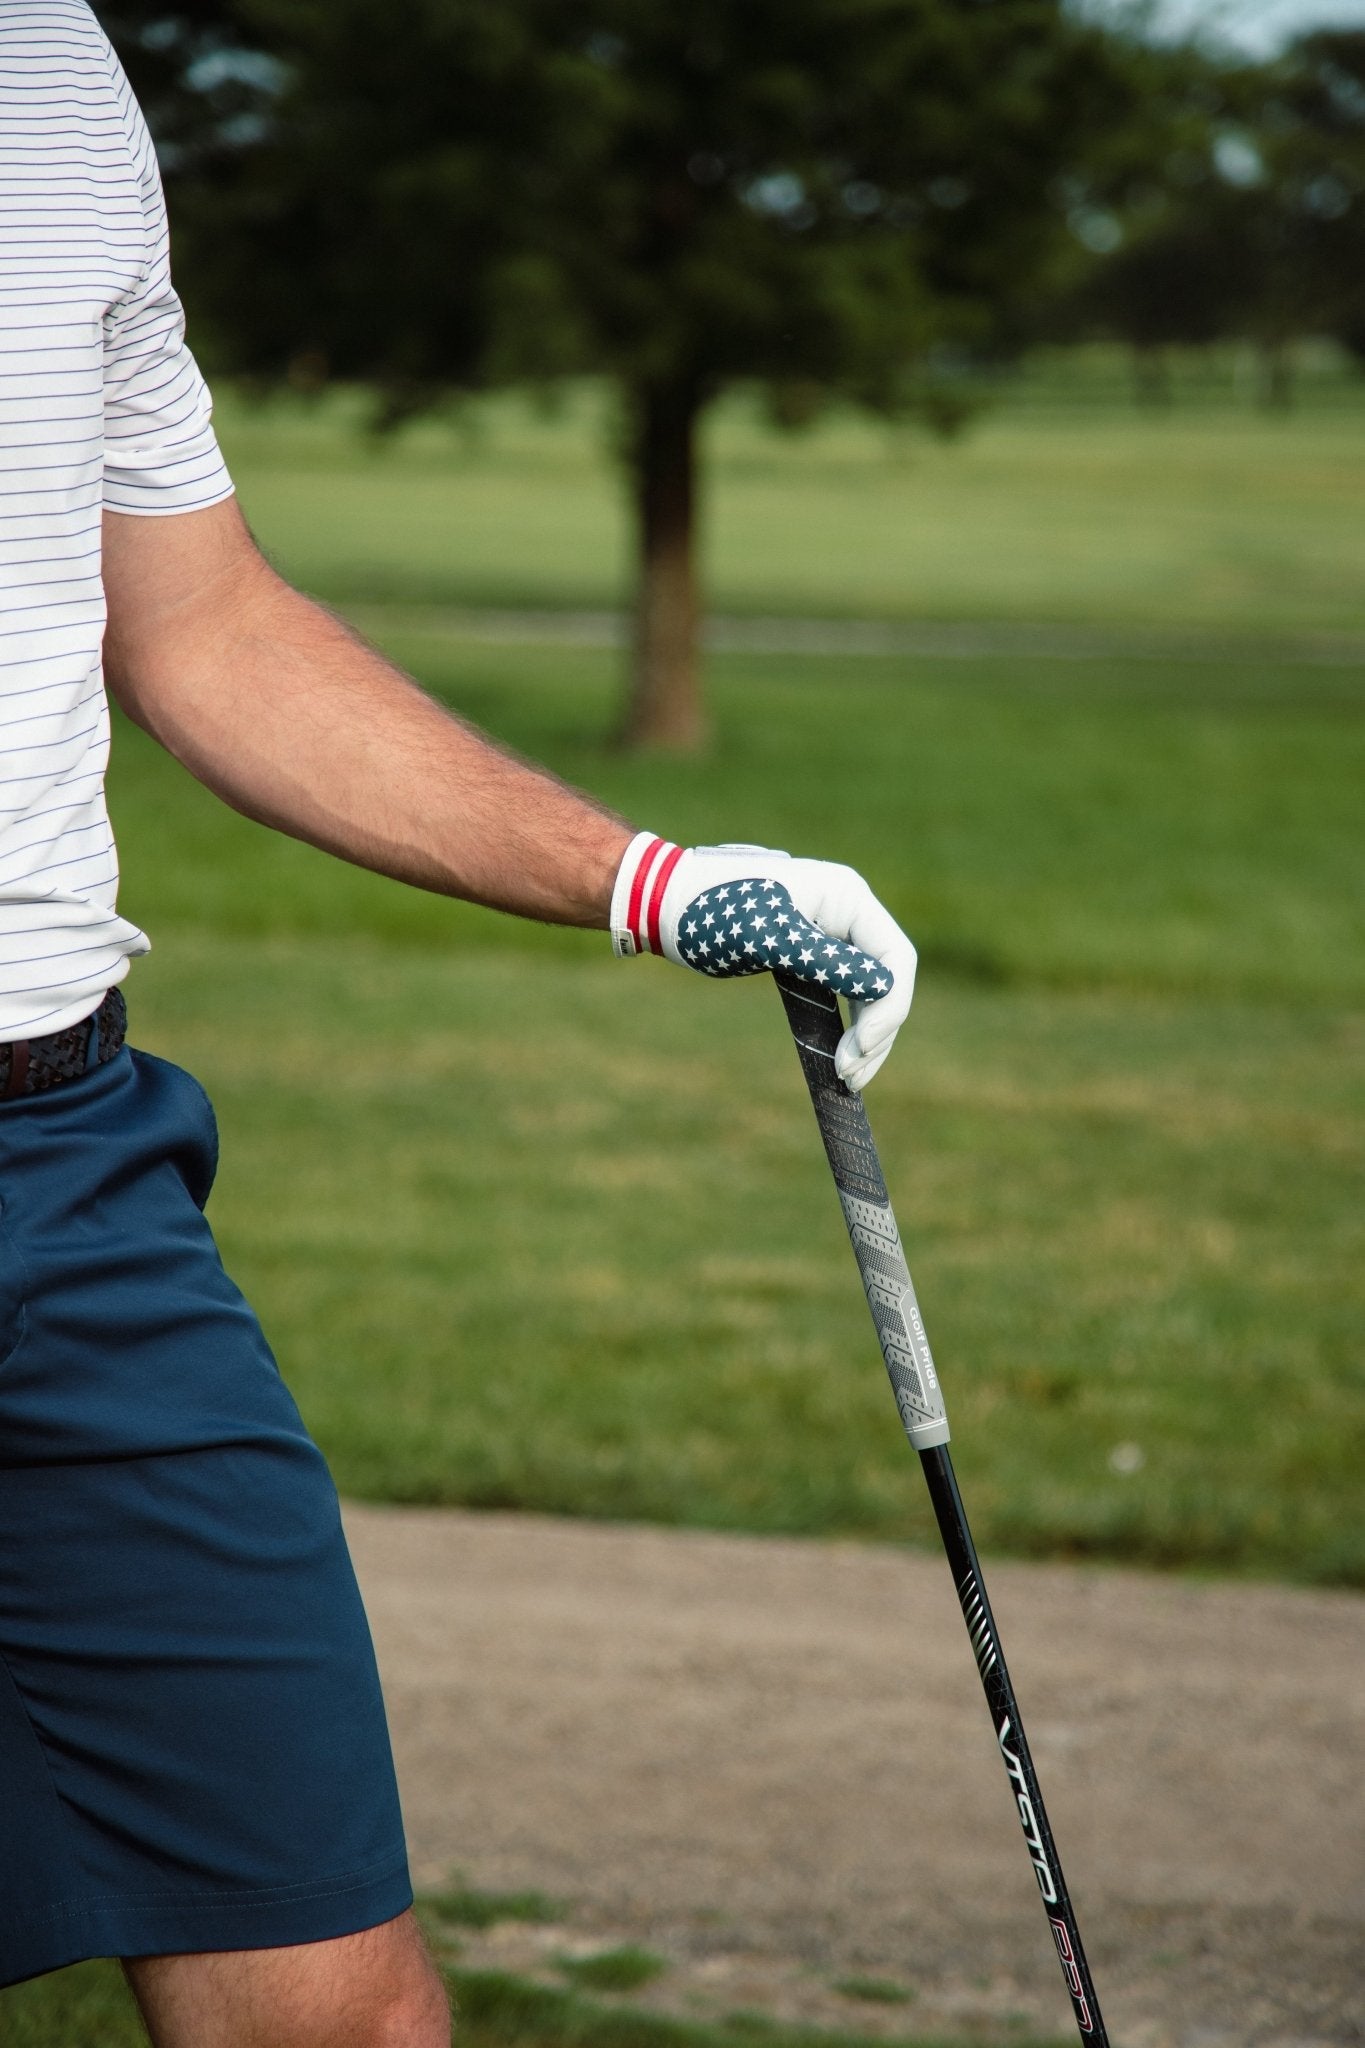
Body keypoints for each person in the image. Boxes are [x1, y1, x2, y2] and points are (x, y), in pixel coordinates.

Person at [0, 5, 916, 2042]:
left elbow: (202, 619)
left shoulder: (53, 73)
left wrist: (649, 879)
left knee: (332, 1996)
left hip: (65, 1173)